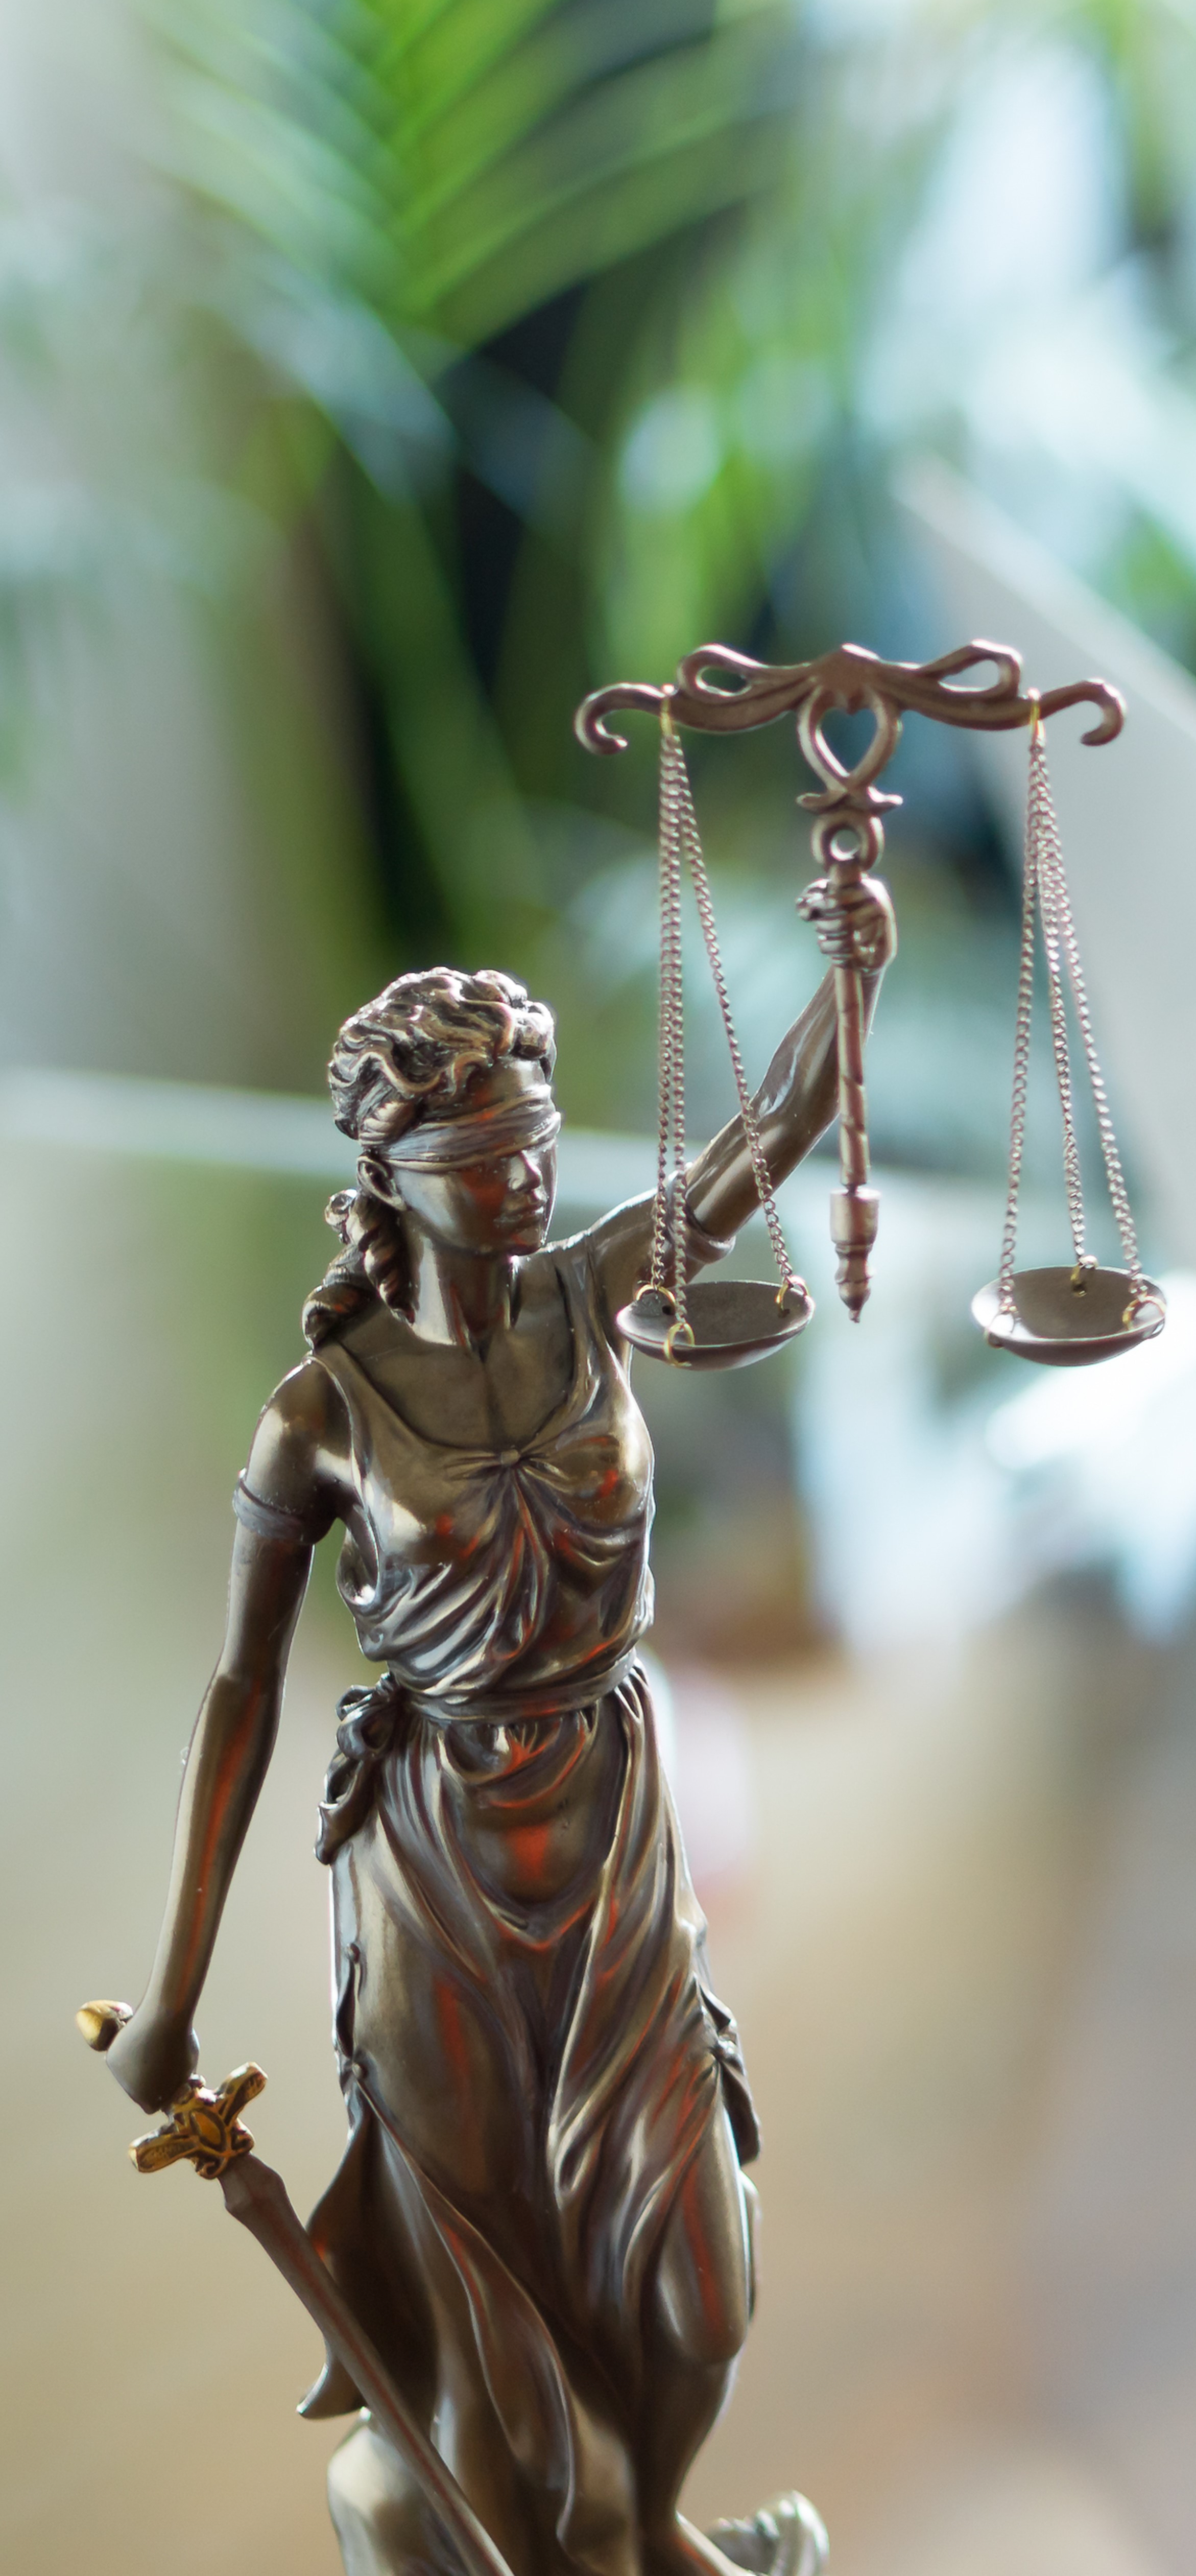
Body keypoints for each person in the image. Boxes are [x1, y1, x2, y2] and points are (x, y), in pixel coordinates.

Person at [100, 870, 889, 2576]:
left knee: (697, 2284)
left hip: (614, 1828)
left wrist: (851, 959)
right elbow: (239, 1693)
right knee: (508, 2406)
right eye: (485, 1162)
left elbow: (775, 1127)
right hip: (437, 1877)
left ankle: (660, 2525)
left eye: (538, 1143)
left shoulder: (591, 1290)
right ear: (391, 1180)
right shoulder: (319, 1414)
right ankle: (568, 2539)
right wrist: (170, 1995)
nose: (529, 1182)